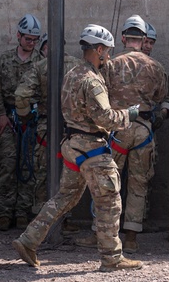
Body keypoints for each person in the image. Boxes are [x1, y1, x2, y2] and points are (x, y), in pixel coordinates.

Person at [12, 24, 143, 272]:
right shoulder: (92, 80)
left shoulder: (72, 74)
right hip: (91, 147)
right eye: (108, 51)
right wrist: (129, 114)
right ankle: (112, 257)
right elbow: (104, 117)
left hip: (72, 145)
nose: (110, 56)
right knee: (110, 201)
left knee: (65, 197)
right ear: (100, 49)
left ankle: (28, 240)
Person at [85, 14, 169, 253]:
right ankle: (131, 237)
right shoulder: (155, 67)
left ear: (123, 38)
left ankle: (99, 233)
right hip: (143, 130)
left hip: (116, 129)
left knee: (108, 185)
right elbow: (159, 97)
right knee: (139, 185)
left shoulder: (110, 64)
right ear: (143, 40)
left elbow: (98, 93)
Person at [14, 32, 81, 222]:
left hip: (45, 129)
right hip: (72, 129)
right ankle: (65, 220)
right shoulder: (78, 66)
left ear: (46, 48)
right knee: (69, 175)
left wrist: (25, 116)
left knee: (42, 175)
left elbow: (21, 95)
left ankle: (41, 222)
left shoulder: (40, 66)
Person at [0, 14, 43, 230]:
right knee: (8, 165)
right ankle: (4, 212)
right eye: (28, 39)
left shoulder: (40, 62)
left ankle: (22, 212)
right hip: (8, 120)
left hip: (31, 121)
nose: (31, 43)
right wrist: (0, 115)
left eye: (35, 40)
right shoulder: (4, 60)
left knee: (28, 165)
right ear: (18, 36)